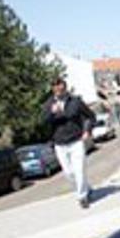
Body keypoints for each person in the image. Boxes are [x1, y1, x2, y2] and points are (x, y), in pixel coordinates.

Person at [43, 77, 95, 208]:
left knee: (79, 170)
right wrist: (51, 113)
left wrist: (87, 130)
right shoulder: (49, 104)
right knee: (68, 173)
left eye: (61, 88)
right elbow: (43, 122)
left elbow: (90, 116)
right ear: (53, 90)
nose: (58, 91)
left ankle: (82, 197)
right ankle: (86, 187)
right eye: (55, 89)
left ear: (65, 88)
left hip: (76, 140)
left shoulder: (75, 101)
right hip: (60, 143)